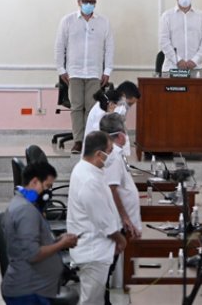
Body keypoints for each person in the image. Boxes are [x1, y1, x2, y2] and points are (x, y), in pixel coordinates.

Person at [1, 161, 78, 305]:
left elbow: (26, 245)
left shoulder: (24, 204)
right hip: (28, 292)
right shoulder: (26, 211)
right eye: (48, 186)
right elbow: (33, 254)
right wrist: (62, 244)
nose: (49, 192)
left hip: (32, 288)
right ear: (35, 181)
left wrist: (56, 241)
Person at [68, 131, 127, 305]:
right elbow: (102, 220)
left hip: (95, 247)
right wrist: (120, 238)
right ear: (98, 154)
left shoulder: (87, 169)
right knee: (91, 301)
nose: (111, 155)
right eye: (109, 151)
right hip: (93, 251)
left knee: (95, 299)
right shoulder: (88, 180)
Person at [54, 0, 115, 154]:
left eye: (92, 2)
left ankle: (90, 140)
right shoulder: (67, 21)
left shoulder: (103, 22)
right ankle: (78, 141)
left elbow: (109, 48)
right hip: (73, 73)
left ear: (95, 3)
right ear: (78, 2)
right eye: (85, 1)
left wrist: (107, 70)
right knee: (76, 107)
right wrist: (61, 69)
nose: (89, 4)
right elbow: (60, 47)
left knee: (92, 108)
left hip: (95, 73)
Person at [99, 113, 141, 305]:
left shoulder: (115, 154)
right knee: (111, 263)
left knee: (113, 262)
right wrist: (125, 217)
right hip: (118, 220)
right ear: (120, 135)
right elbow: (112, 188)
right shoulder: (114, 156)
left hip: (120, 219)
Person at [158, 0, 202, 72]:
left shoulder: (201, 16)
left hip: (196, 68)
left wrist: (195, 60)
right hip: (172, 68)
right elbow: (164, 41)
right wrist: (178, 60)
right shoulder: (166, 16)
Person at [81, 88, 122, 155]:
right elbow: (101, 135)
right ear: (111, 104)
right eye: (117, 105)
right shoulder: (99, 114)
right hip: (95, 149)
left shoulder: (102, 106)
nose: (116, 108)